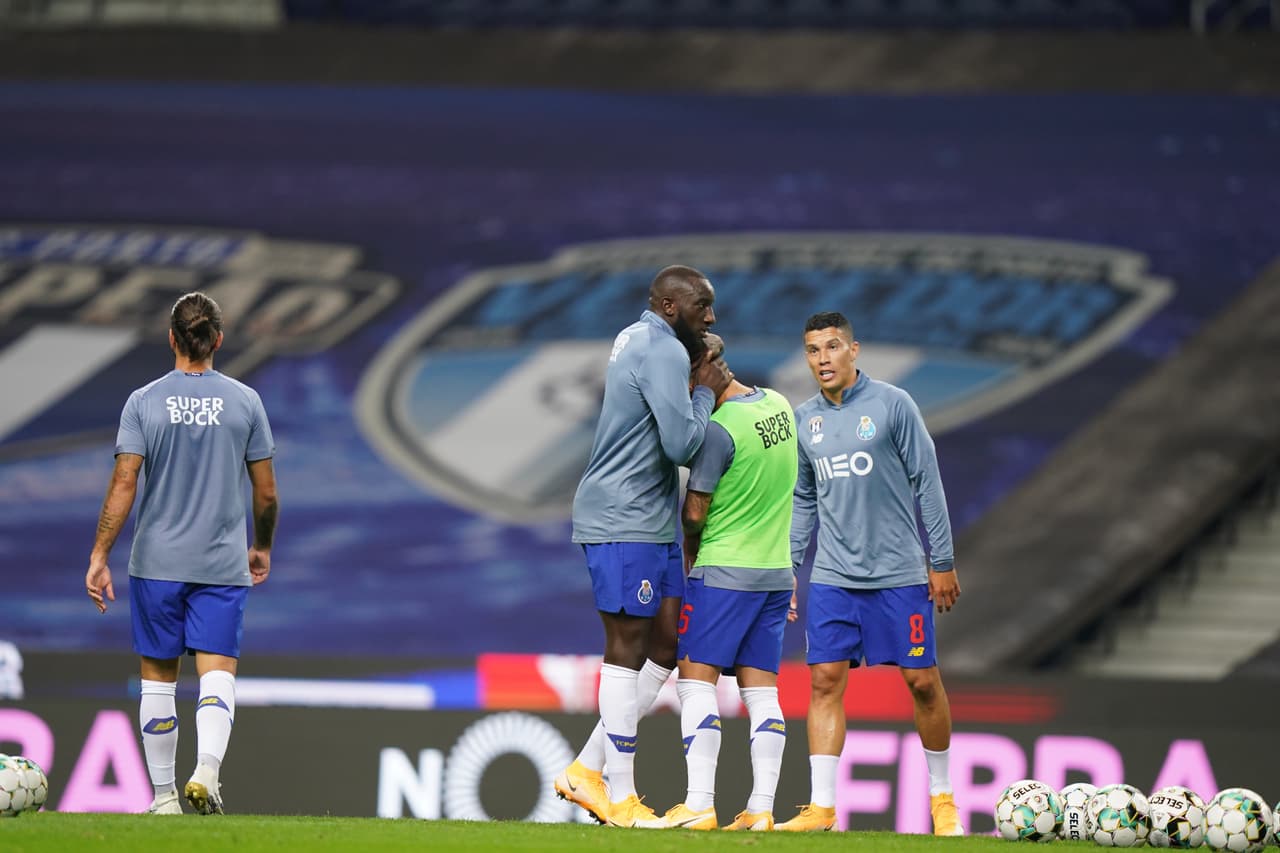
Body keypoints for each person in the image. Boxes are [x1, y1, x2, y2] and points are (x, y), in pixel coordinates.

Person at [84, 292, 278, 817]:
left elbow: (125, 481)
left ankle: (165, 797)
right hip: (220, 565)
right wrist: (259, 547)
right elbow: (266, 494)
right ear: (217, 339)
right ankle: (208, 771)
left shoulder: (143, 402)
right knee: (217, 676)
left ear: (172, 338)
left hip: (157, 565)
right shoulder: (245, 403)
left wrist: (100, 553)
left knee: (158, 681)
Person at [556, 265, 732, 828]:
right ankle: (621, 793)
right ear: (670, 307)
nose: (711, 316)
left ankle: (585, 767)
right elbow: (682, 443)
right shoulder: (663, 352)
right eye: (702, 306)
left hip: (649, 520)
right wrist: (705, 392)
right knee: (626, 647)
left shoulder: (640, 336)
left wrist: (692, 370)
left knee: (666, 639)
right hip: (623, 517)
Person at [778, 311, 964, 835]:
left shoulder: (892, 405)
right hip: (834, 576)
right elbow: (803, 499)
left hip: (899, 574)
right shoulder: (803, 420)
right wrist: (791, 567)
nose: (822, 359)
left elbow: (927, 481)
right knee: (824, 681)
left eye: (832, 347)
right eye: (813, 350)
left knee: (922, 681)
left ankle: (943, 796)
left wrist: (942, 561)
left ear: (853, 351)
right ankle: (821, 807)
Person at [657, 353, 798, 832]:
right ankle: (761, 809)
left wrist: (689, 551)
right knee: (762, 695)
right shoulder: (779, 406)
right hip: (776, 573)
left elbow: (694, 512)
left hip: (723, 571)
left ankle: (699, 803)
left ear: (702, 374)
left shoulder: (718, 431)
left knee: (696, 682)